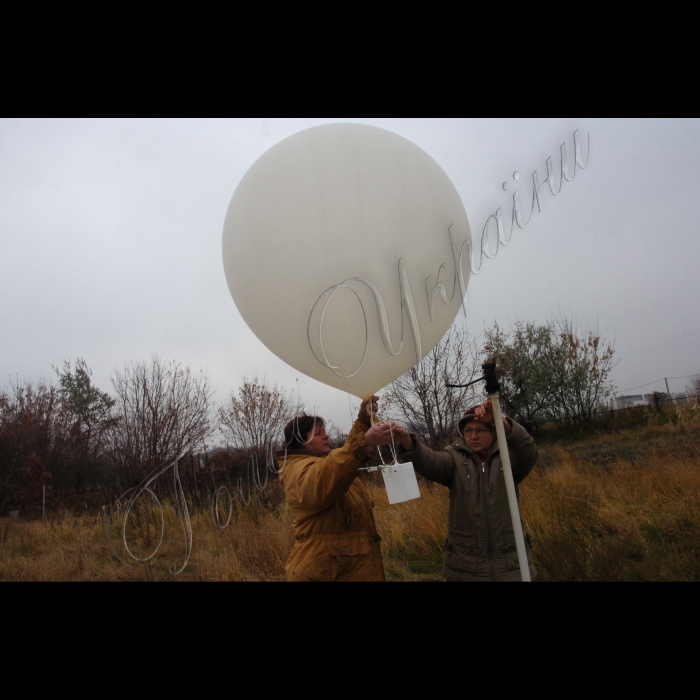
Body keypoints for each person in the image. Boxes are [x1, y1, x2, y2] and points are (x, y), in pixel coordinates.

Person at [392, 400, 538, 582]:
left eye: (480, 430)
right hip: (466, 567)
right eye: (468, 431)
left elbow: (528, 450)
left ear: (493, 431)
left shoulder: (508, 459)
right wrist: (406, 440)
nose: (473, 436)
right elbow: (430, 462)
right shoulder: (454, 458)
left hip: (512, 566)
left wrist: (501, 421)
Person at [278, 396, 395, 582]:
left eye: (324, 431)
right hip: (325, 571)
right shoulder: (296, 471)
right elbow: (327, 475)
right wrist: (364, 441)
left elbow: (345, 458)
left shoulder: (326, 461)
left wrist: (365, 420)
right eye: (318, 433)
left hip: (348, 567)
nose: (326, 435)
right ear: (301, 443)